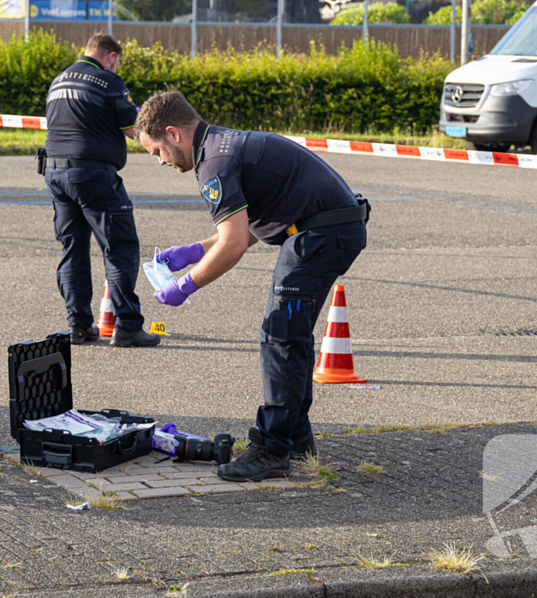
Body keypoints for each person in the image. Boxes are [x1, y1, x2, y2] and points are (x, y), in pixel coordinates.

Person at [134, 90, 368, 482]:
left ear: (173, 134)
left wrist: (184, 286)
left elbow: (235, 243)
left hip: (320, 236)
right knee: (291, 336)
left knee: (279, 338)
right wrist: (193, 251)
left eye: (156, 150)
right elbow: (248, 227)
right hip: (328, 229)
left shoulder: (214, 164)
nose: (160, 161)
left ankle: (272, 450)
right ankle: (294, 438)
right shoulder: (224, 143)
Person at [41, 33, 160, 347]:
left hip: (55, 173)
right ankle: (129, 327)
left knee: (73, 250)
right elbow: (134, 129)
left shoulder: (59, 80)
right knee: (120, 248)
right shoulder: (108, 81)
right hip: (93, 175)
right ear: (111, 56)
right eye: (117, 62)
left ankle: (79, 326)